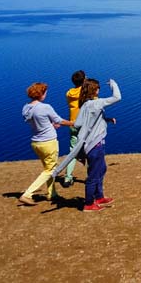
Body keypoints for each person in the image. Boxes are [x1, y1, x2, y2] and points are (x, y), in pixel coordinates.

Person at [54, 78, 121, 211]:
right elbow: (117, 97)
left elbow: (78, 124)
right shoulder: (96, 104)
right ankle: (89, 203)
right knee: (94, 175)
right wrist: (114, 85)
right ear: (95, 91)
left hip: (93, 144)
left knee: (101, 170)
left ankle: (99, 196)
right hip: (95, 145)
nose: (99, 89)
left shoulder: (85, 105)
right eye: (98, 88)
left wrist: (104, 120)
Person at [19, 82, 71, 205]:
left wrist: (51, 126)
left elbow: (39, 122)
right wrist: (74, 123)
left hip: (36, 143)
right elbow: (59, 120)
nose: (46, 94)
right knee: (50, 170)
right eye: (45, 92)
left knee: (48, 168)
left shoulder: (26, 108)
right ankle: (27, 194)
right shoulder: (45, 107)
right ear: (41, 94)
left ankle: (52, 193)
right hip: (48, 143)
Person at [62, 69, 85, 187]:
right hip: (85, 125)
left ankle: (67, 177)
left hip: (72, 124)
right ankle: (92, 176)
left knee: (72, 151)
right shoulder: (86, 93)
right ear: (84, 80)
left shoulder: (69, 93)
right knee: (91, 150)